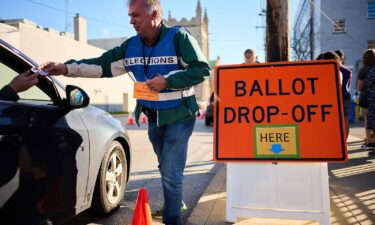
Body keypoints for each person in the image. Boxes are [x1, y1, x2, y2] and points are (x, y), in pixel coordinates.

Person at [39, 0, 210, 224]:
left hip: (180, 117)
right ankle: (175, 202)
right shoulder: (130, 46)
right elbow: (101, 65)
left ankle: (172, 219)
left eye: (136, 15)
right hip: (153, 117)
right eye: (130, 15)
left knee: (171, 173)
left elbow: (202, 70)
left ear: (154, 14)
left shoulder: (179, 38)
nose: (131, 21)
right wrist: (66, 68)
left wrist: (168, 81)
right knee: (166, 167)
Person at [335, 50, 352, 141]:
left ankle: (338, 141)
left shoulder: (333, 69)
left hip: (337, 97)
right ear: (342, 58)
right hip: (346, 96)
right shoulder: (348, 71)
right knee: (346, 120)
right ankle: (344, 142)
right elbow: (348, 85)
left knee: (336, 121)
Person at [359, 49, 375, 151]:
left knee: (368, 120)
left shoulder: (363, 70)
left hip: (366, 97)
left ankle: (369, 141)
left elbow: (360, 86)